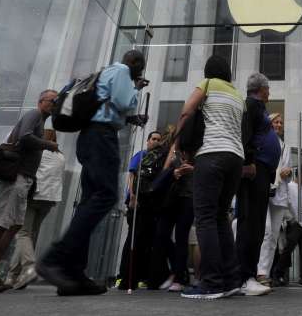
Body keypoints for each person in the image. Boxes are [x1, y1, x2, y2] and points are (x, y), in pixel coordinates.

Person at [37, 50, 148, 296]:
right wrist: (134, 89)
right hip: (101, 137)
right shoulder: (121, 71)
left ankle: (73, 274)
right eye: (139, 69)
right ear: (136, 64)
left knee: (90, 199)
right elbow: (124, 103)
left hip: (89, 137)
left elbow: (109, 104)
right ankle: (56, 258)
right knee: (106, 196)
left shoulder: (105, 72)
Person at [0, 89, 59, 293]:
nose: (55, 104)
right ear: (41, 101)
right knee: (1, 223)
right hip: (16, 175)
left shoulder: (41, 120)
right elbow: (24, 137)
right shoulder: (34, 114)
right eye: (53, 100)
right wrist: (48, 144)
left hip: (24, 178)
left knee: (14, 225)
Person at [177, 55, 244, 300]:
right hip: (235, 158)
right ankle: (231, 279)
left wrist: (179, 143)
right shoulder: (237, 95)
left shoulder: (206, 85)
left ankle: (212, 283)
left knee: (205, 218)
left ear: (208, 71)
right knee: (220, 217)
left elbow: (187, 112)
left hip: (212, 154)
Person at [236, 73, 281, 296]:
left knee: (256, 223)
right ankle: (245, 276)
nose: (269, 92)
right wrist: (249, 161)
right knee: (251, 223)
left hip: (262, 171)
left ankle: (249, 274)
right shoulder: (252, 105)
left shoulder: (258, 107)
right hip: (255, 170)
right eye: (268, 88)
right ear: (260, 89)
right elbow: (246, 133)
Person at [5, 128, 66, 290]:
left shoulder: (38, 153)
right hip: (49, 199)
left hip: (33, 196)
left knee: (22, 233)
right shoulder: (61, 157)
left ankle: (30, 267)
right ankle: (13, 277)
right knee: (29, 236)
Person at [150, 127, 194, 292]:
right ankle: (166, 274)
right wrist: (173, 172)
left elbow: (207, 171)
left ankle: (178, 277)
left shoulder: (198, 150)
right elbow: (165, 171)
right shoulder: (174, 150)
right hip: (171, 197)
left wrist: (192, 169)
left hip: (188, 196)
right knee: (161, 234)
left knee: (182, 236)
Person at [116, 130, 162, 290]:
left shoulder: (157, 160)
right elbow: (131, 176)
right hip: (136, 200)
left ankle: (138, 275)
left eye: (158, 139)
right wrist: (133, 196)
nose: (156, 141)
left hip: (149, 203)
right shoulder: (141, 155)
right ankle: (123, 276)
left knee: (143, 239)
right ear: (148, 141)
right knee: (133, 237)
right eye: (153, 139)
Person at [256, 113, 294, 286]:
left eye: (281, 122)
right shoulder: (261, 141)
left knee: (273, 236)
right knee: (265, 231)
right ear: (269, 124)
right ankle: (258, 271)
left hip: (279, 194)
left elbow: (289, 170)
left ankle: (265, 274)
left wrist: (289, 173)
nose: (278, 125)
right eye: (275, 122)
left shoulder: (286, 146)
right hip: (264, 190)